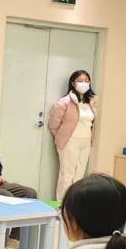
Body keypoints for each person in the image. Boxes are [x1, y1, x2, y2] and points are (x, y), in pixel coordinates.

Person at [49, 70, 99, 201]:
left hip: (86, 141)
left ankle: (76, 203)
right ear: (73, 83)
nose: (84, 83)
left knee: (79, 175)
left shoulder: (91, 101)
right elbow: (53, 124)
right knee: (67, 174)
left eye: (86, 81)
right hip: (69, 141)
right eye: (80, 81)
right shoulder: (64, 102)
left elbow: (93, 122)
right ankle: (62, 204)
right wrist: (61, 137)